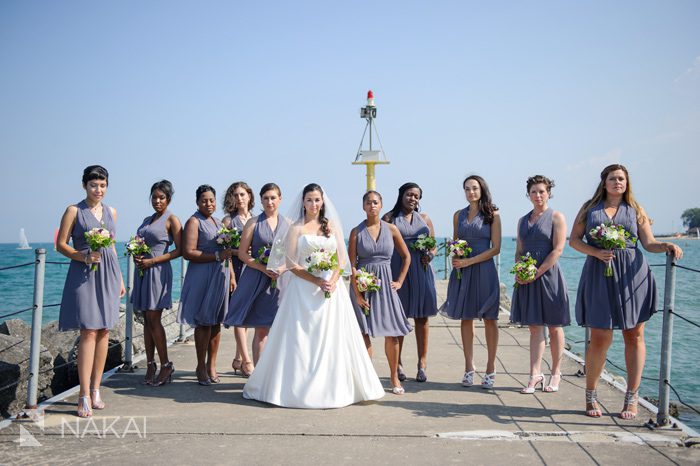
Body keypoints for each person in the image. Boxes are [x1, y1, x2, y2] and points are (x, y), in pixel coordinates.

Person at [242, 183, 385, 408]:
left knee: (330, 338)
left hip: (330, 290)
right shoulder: (296, 228)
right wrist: (316, 279)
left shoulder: (331, 227)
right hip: (303, 290)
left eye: (317, 200)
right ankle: (295, 388)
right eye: (309, 200)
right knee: (301, 339)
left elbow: (341, 261)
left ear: (322, 202)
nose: (314, 204)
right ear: (303, 202)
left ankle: (332, 387)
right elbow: (290, 262)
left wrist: (333, 280)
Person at [570, 164, 683, 419]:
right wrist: (596, 252)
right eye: (613, 178)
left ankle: (631, 397)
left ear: (627, 182)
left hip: (633, 277)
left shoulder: (636, 210)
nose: (617, 182)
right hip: (599, 275)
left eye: (622, 178)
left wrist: (666, 245)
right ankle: (590, 395)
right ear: (604, 182)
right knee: (600, 337)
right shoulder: (589, 208)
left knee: (634, 336)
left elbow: (649, 243)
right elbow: (574, 240)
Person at [57, 165, 125, 417]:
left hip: (107, 273)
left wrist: (119, 278)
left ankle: (97, 388)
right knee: (88, 331)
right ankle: (83, 394)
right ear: (84, 185)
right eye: (94, 185)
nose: (99, 189)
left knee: (105, 330)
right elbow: (60, 245)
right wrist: (82, 256)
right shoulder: (73, 211)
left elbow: (113, 247)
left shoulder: (112, 212)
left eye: (103, 185)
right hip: (83, 273)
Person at [509, 176, 569, 394]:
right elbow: (519, 250)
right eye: (534, 192)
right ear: (528, 195)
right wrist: (519, 271)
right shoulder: (522, 220)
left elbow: (558, 250)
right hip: (527, 277)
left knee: (554, 326)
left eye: (542, 191)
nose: (538, 195)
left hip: (549, 276)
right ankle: (535, 374)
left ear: (549, 193)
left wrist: (536, 272)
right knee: (535, 327)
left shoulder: (556, 217)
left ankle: (556, 372)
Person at [350, 190, 412, 394]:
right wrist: (357, 293)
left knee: (392, 333)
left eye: (375, 202)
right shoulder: (356, 232)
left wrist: (400, 281)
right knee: (364, 333)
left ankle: (394, 377)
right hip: (363, 285)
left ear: (381, 205)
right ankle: (368, 378)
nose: (372, 206)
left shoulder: (392, 229)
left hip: (386, 285)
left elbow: (406, 257)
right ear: (363, 206)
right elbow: (351, 265)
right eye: (368, 202)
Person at [442, 175, 501, 389]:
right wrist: (456, 260)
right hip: (463, 272)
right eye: (467, 189)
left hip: (484, 270)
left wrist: (470, 261)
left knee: (489, 319)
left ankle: (491, 368)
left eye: (474, 188)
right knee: (466, 318)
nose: (471, 192)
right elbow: (456, 244)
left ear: (482, 189)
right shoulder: (458, 215)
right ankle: (469, 368)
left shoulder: (492, 214)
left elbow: (496, 248)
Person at [223, 183, 283, 376]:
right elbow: (242, 254)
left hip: (281, 281)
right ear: (261, 200)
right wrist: (262, 268)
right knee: (261, 329)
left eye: (273, 198)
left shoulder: (289, 224)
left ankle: (277, 374)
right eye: (266, 198)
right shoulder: (254, 223)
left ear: (280, 199)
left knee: (281, 330)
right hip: (257, 278)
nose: (269, 202)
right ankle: (259, 376)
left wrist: (281, 268)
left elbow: (293, 255)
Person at [177, 185, 235, 385]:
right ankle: (200, 366)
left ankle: (212, 364)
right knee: (203, 322)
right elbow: (188, 252)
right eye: (204, 200)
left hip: (221, 275)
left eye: (211, 200)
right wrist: (217, 255)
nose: (208, 204)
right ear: (197, 202)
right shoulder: (194, 222)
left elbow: (227, 251)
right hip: (202, 274)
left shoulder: (218, 222)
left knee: (216, 321)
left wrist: (232, 276)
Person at [383, 182, 438, 383]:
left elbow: (434, 246)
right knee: (400, 317)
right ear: (401, 195)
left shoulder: (425, 219)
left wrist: (430, 256)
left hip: (422, 271)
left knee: (422, 317)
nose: (412, 198)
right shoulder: (389, 218)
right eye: (409, 194)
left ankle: (422, 364)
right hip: (399, 270)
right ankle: (397, 363)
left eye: (416, 196)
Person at [132, 180, 182, 387]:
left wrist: (152, 260)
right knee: (146, 318)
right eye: (154, 197)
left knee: (154, 318)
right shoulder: (147, 219)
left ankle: (166, 364)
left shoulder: (172, 220)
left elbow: (180, 251)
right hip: (142, 271)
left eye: (161, 197)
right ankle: (150, 364)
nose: (157, 201)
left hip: (158, 271)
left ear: (168, 199)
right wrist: (136, 254)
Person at [221, 181, 254, 375]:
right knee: (239, 317)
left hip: (252, 269)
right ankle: (247, 361)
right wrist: (231, 275)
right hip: (235, 268)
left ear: (249, 196)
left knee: (247, 315)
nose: (240, 198)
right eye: (236, 195)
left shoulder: (257, 219)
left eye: (243, 194)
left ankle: (237, 358)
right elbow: (225, 252)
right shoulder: (228, 221)